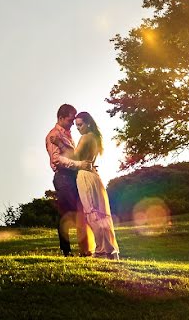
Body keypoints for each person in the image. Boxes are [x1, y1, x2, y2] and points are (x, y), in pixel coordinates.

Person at [63, 111, 120, 260]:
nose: (78, 128)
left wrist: (60, 144)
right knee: (101, 214)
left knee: (92, 213)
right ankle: (109, 250)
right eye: (76, 125)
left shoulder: (85, 138)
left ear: (88, 123)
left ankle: (101, 251)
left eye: (80, 124)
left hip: (85, 177)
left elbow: (74, 158)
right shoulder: (96, 138)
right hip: (95, 176)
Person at [45, 104, 93, 256]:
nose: (73, 123)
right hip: (63, 177)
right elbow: (57, 159)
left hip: (73, 176)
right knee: (67, 214)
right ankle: (66, 250)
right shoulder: (53, 135)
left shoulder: (68, 134)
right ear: (60, 118)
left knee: (80, 212)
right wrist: (79, 164)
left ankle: (84, 250)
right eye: (70, 120)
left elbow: (72, 154)